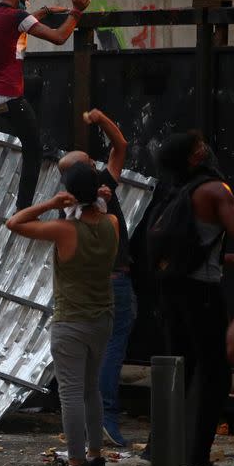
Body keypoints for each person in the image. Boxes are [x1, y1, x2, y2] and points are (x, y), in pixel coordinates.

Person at [7, 163, 119, 466]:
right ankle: (96, 457)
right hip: (102, 318)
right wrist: (97, 199)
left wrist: (50, 204)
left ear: (70, 194)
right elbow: (100, 212)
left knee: (70, 394)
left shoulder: (65, 230)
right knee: (90, 389)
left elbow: (14, 222)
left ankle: (74, 464)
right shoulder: (111, 222)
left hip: (71, 320)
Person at [145, 131, 234, 466]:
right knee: (215, 373)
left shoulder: (179, 192)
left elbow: (198, 245)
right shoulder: (216, 190)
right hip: (202, 293)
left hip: (173, 290)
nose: (206, 149)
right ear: (194, 158)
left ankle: (157, 451)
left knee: (177, 368)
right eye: (199, 148)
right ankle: (198, 461)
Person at [0, 0, 90, 210]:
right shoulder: (18, 17)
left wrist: (47, 11)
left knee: (35, 84)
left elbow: (21, 21)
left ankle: (36, 128)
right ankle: (23, 209)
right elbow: (59, 37)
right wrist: (77, 12)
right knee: (33, 150)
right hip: (5, 96)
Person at [58, 109, 134, 447]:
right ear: (88, 169)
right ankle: (106, 417)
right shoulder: (102, 190)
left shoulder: (66, 209)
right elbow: (121, 146)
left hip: (79, 294)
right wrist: (101, 119)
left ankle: (92, 430)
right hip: (113, 281)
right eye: (90, 163)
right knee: (113, 347)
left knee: (88, 364)